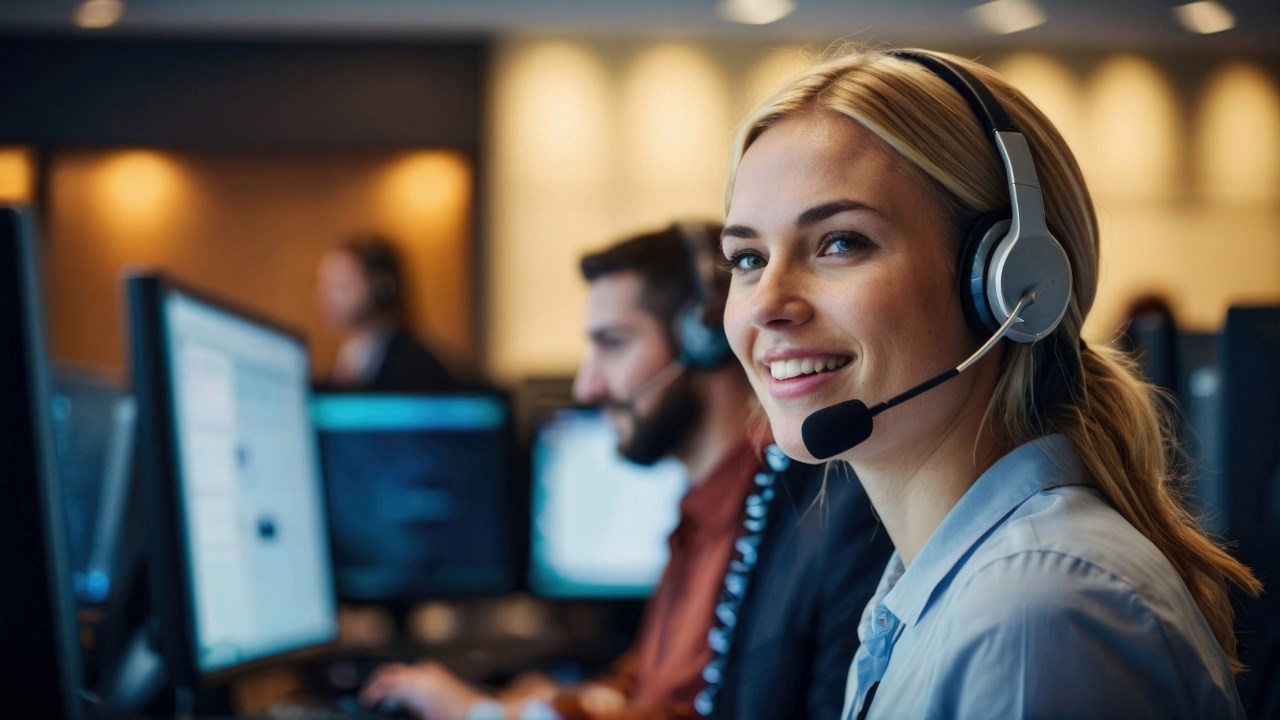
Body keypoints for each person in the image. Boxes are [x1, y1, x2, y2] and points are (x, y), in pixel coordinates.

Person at [718, 47, 1262, 719]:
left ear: (1011, 283)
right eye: (746, 257)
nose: (767, 304)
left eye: (841, 242)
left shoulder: (1036, 613)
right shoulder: (937, 590)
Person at [360, 222, 891, 719]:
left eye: (612, 344)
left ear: (701, 342)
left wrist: (480, 714)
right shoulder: (701, 512)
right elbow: (655, 687)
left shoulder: (803, 514)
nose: (587, 387)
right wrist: (556, 704)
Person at [315, 234, 456, 391]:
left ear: (381, 290)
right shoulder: (349, 355)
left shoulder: (417, 366)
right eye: (324, 285)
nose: (324, 297)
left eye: (340, 285)